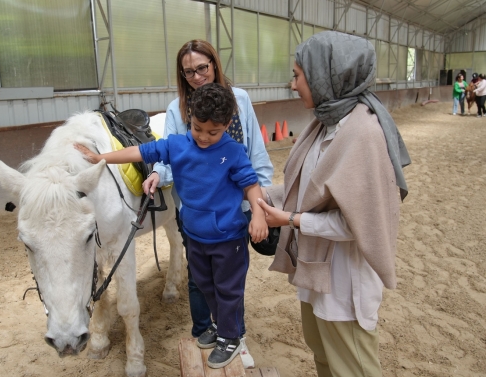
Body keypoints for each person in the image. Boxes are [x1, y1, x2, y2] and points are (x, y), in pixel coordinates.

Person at [75, 83, 268, 369]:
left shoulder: (234, 151)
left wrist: (260, 215)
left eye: (213, 132)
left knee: (228, 289)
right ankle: (220, 326)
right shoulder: (177, 145)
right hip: (195, 236)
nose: (203, 137)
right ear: (190, 118)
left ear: (227, 124)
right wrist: (101, 158)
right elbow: (139, 152)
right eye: (198, 128)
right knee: (205, 285)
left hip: (228, 238)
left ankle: (232, 336)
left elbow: (251, 184)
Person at [256, 31, 411, 377]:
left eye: (298, 75)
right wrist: (262, 195)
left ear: (325, 76)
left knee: (353, 369)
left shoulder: (364, 134)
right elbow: (309, 189)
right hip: (317, 273)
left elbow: (360, 224)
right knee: (324, 360)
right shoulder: (324, 125)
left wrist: (293, 221)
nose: (292, 84)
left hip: (344, 284)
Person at [141, 39, 274, 368]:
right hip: (195, 213)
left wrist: (260, 203)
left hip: (234, 209)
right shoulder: (176, 109)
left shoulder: (239, 100)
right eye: (189, 72)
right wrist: (158, 173)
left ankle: (235, 338)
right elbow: (169, 151)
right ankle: (206, 329)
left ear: (214, 64)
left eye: (202, 67)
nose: (197, 76)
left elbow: (254, 150)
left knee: (228, 280)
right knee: (200, 279)